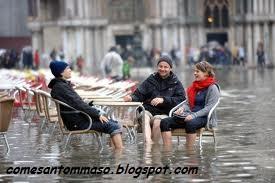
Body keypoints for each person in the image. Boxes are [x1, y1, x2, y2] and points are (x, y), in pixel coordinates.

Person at [48, 61, 123, 149]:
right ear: (61, 72)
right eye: (67, 68)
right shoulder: (61, 87)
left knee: (114, 123)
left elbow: (78, 103)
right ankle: (119, 155)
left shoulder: (60, 86)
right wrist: (97, 115)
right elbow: (79, 104)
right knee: (113, 126)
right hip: (78, 123)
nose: (70, 70)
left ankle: (115, 151)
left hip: (77, 119)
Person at [123, 56, 185, 144]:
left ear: (170, 68)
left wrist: (164, 100)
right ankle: (148, 142)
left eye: (165, 67)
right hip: (149, 110)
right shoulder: (151, 79)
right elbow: (139, 94)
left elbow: (181, 99)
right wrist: (131, 98)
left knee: (157, 122)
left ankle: (154, 147)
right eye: (160, 66)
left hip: (165, 113)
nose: (162, 69)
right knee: (144, 116)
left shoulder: (176, 82)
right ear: (157, 67)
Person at [160, 61, 220, 148]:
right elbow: (188, 104)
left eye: (197, 71)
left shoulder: (213, 88)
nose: (195, 73)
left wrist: (194, 116)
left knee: (190, 123)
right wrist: (182, 109)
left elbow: (209, 108)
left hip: (205, 118)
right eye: (194, 71)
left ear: (206, 73)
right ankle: (167, 150)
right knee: (164, 122)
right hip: (189, 115)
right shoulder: (194, 87)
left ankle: (189, 151)